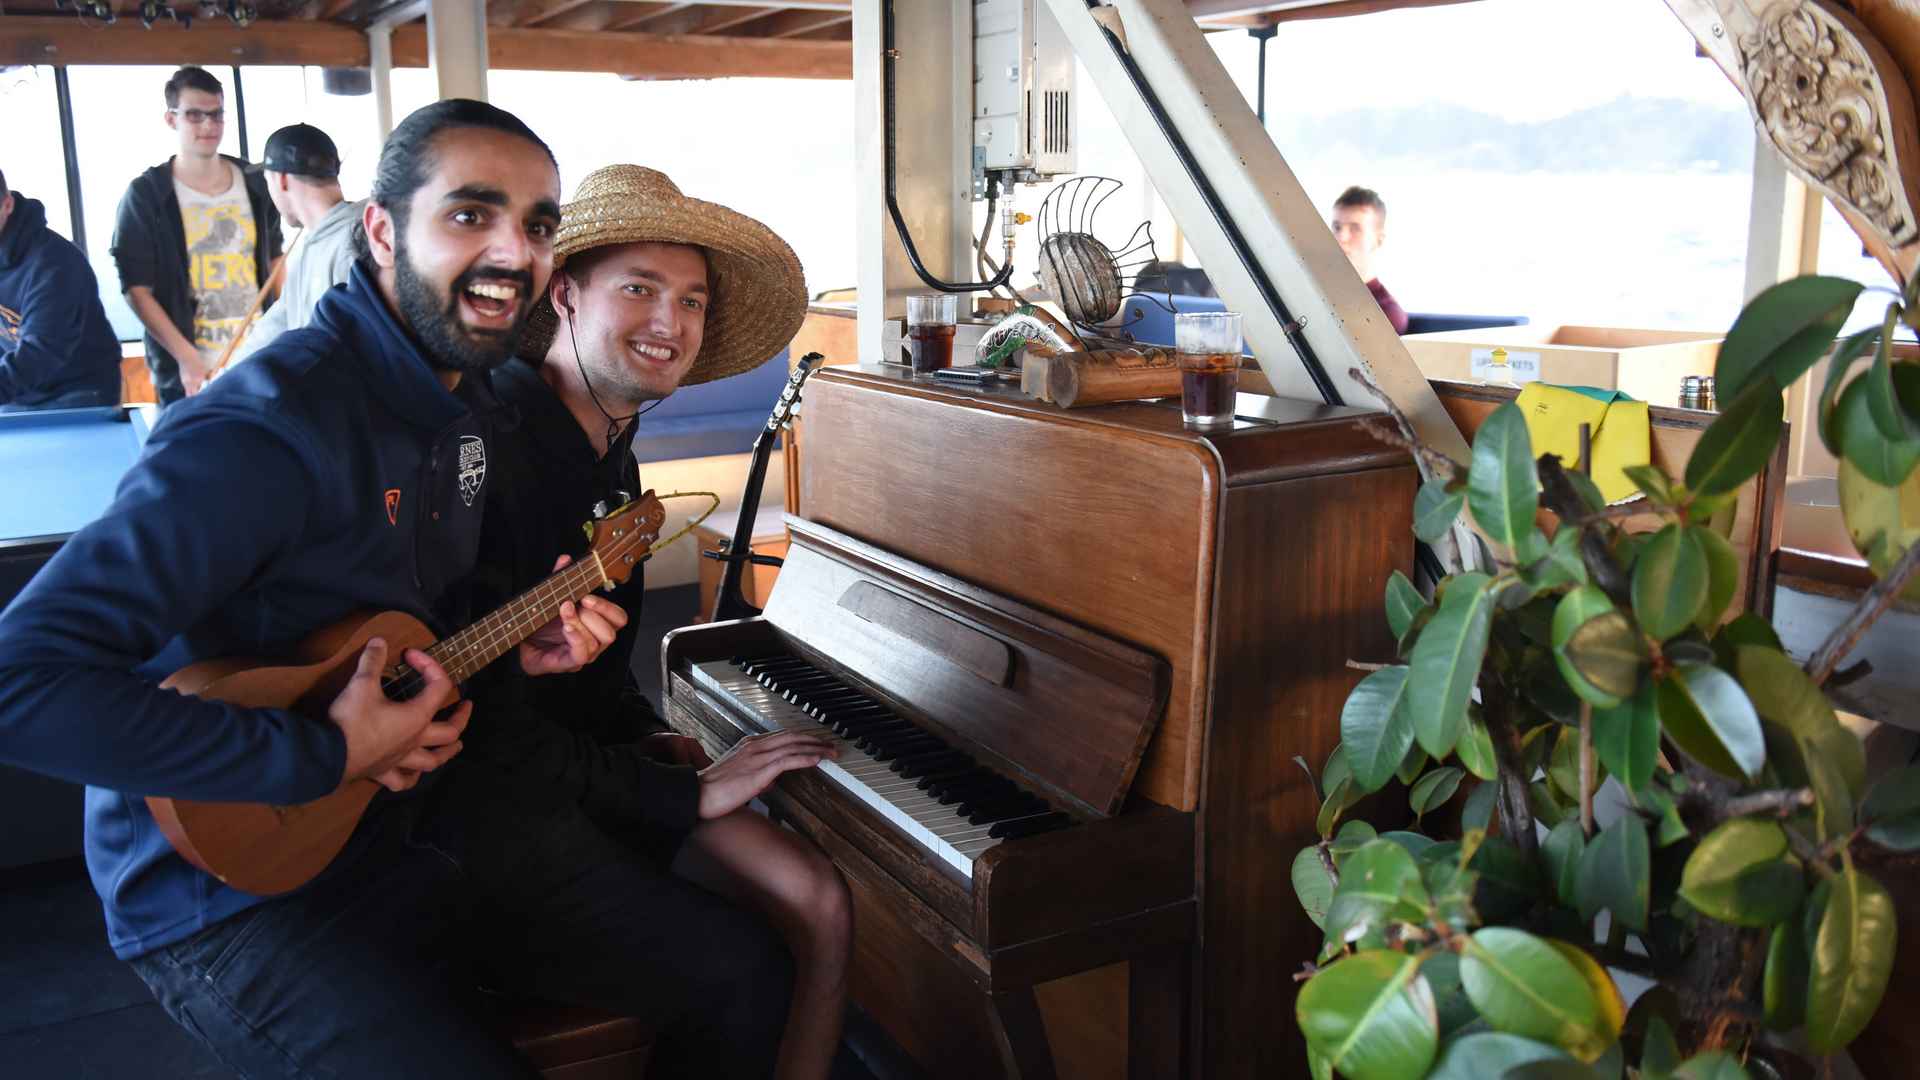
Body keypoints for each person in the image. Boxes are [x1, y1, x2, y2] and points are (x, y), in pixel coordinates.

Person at [0, 100, 831, 1078]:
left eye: (534, 224)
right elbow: (21, 684)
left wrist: (511, 648)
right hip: (224, 892)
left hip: (388, 832)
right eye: (470, 215)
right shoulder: (268, 431)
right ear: (384, 230)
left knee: (738, 974)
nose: (511, 251)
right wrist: (322, 749)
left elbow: (409, 637)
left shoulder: (467, 415)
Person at [465, 164, 847, 1080]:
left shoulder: (609, 449)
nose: (668, 324)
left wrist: (651, 738)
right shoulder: (490, 456)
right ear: (563, 294)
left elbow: (592, 683)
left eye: (692, 300)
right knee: (756, 952)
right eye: (638, 288)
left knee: (819, 898)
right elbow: (483, 725)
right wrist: (678, 794)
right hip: (489, 824)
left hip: (584, 776)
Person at [111, 65, 282, 403]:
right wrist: (185, 358)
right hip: (190, 373)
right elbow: (137, 289)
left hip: (259, 361)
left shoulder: (256, 183)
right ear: (171, 119)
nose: (208, 125)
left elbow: (276, 262)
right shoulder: (146, 195)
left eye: (216, 115)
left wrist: (286, 332)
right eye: (194, 115)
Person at [228, 123, 362, 365]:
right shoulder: (313, 244)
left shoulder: (352, 242)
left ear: (281, 180)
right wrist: (218, 386)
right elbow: (275, 326)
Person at [0, 168, 122, 411]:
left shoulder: (54, 263)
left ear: (7, 204)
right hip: (18, 392)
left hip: (78, 390)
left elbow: (42, 351)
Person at [1331, 185, 1409, 334]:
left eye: (1355, 228)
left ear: (1378, 240)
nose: (1341, 238)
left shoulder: (1385, 314)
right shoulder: (1318, 295)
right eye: (1337, 227)